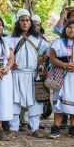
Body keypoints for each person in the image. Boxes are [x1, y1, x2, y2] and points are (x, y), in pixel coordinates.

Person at [10, 9, 49, 137]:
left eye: (27, 20)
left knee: (34, 101)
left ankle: (35, 128)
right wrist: (10, 62)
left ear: (30, 22)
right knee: (15, 101)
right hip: (17, 74)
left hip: (33, 74)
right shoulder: (11, 39)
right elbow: (4, 54)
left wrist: (42, 58)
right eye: (22, 20)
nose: (25, 23)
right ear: (18, 22)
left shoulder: (38, 39)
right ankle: (14, 128)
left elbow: (50, 50)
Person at [48, 20, 74, 139]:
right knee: (60, 99)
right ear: (65, 29)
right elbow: (52, 57)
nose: (72, 30)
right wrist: (65, 65)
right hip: (62, 74)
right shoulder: (58, 42)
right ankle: (56, 127)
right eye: (69, 27)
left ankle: (73, 127)